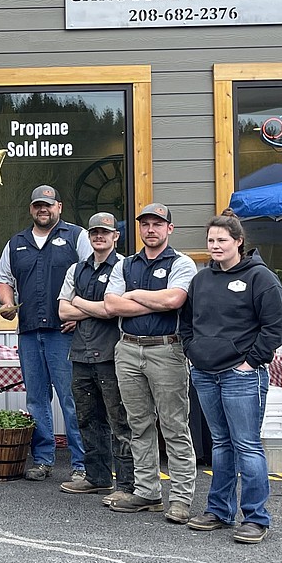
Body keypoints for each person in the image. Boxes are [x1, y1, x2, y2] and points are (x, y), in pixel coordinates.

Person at [181, 215, 282, 544]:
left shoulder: (261, 278)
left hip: (242, 376)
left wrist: (250, 362)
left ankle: (256, 517)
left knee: (247, 446)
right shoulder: (201, 280)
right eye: (211, 241)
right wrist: (192, 351)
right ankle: (219, 510)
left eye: (222, 241)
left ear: (238, 241)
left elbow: (276, 328)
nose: (215, 246)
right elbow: (186, 321)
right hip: (205, 373)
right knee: (221, 444)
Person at [104, 203, 197, 522]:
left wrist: (134, 295)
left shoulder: (181, 263)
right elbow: (111, 304)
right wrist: (151, 302)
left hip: (166, 350)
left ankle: (182, 499)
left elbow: (175, 301)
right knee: (138, 425)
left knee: (174, 425)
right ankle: (148, 493)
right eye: (145, 224)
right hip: (128, 349)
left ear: (170, 228)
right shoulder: (125, 264)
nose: (151, 229)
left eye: (158, 224)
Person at [0, 184, 92, 481]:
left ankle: (82, 465)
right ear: (31, 209)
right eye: (38, 205)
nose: (43, 209)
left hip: (64, 333)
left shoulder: (77, 236)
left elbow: (93, 275)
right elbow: (3, 280)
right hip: (28, 332)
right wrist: (8, 303)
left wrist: (80, 313)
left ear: (59, 207)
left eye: (48, 205)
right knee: (36, 400)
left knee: (71, 399)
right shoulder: (17, 242)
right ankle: (43, 460)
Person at [56, 212, 133, 502]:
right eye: (94, 233)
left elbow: (112, 310)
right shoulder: (76, 269)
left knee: (119, 422)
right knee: (88, 420)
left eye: (105, 232)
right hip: (81, 354)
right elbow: (63, 312)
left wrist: (78, 302)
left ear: (116, 236)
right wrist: (93, 307)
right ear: (89, 237)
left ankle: (126, 485)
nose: (99, 237)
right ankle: (97, 477)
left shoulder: (124, 267)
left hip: (112, 355)